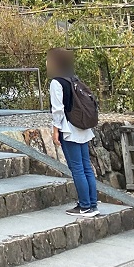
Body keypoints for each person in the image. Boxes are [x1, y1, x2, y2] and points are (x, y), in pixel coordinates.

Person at [47, 47, 99, 217]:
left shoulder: (57, 82)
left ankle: (84, 206)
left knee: (77, 168)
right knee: (86, 167)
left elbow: (58, 110)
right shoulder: (73, 79)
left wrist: (55, 131)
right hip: (82, 127)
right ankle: (91, 203)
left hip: (69, 129)